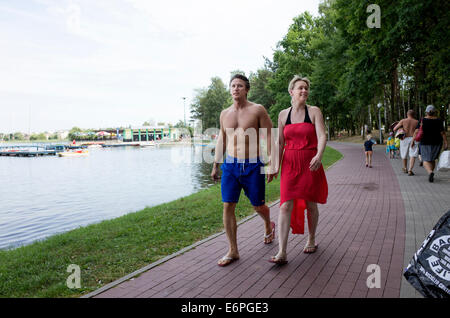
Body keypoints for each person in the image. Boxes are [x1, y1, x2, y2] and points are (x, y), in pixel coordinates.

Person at [211, 74, 275, 267]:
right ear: (230, 89)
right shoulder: (225, 113)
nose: (236, 88)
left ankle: (267, 223)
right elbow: (222, 139)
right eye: (233, 85)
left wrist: (272, 163)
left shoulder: (257, 110)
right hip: (230, 165)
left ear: (247, 89)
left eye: (239, 85)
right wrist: (215, 164)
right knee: (228, 205)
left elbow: (269, 137)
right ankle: (233, 250)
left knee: (258, 206)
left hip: (253, 165)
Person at [269, 75, 328, 265]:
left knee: (311, 205)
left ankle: (311, 238)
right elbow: (279, 142)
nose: (304, 91)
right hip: (289, 163)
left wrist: (319, 155)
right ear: (291, 91)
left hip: (310, 162)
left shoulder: (314, 112)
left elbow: (322, 135)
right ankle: (282, 251)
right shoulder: (282, 115)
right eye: (300, 88)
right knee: (285, 205)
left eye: (306, 88)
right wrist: (274, 165)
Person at [412, 105, 448, 182]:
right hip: (437, 142)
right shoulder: (439, 120)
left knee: (425, 160)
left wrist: (413, 141)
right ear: (434, 112)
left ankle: (430, 172)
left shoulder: (423, 120)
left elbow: (416, 131)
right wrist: (446, 143)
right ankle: (431, 173)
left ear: (426, 112)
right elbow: (443, 133)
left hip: (425, 142)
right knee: (432, 159)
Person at [394, 110, 419, 176]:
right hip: (414, 139)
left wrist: (400, 126)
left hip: (404, 138)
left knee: (404, 154)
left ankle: (405, 168)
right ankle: (410, 170)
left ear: (407, 114)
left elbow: (394, 129)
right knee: (412, 154)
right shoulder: (417, 122)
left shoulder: (403, 121)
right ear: (414, 115)